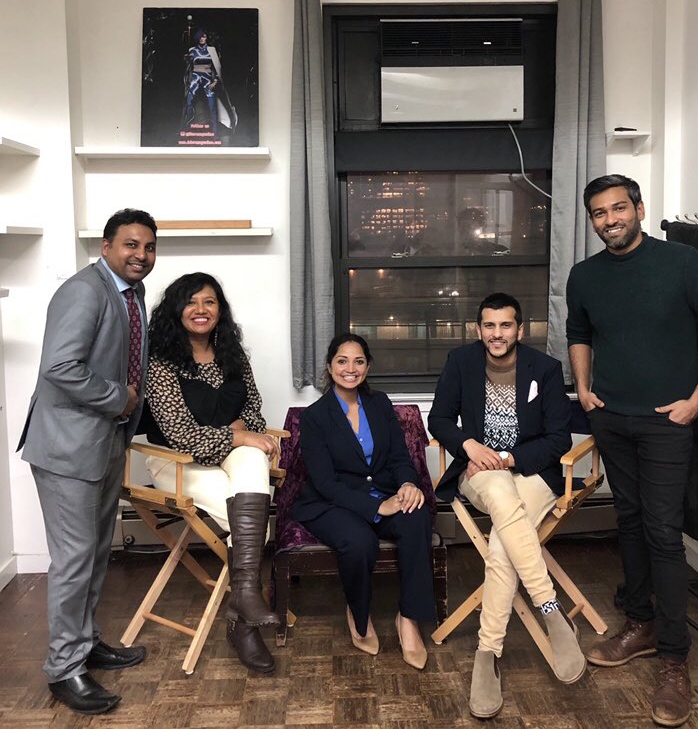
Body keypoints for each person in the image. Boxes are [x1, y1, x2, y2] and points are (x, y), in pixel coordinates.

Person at [566, 174, 698, 728]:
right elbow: (578, 332)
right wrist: (584, 389)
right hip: (611, 419)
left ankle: (673, 657)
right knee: (629, 520)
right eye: (599, 213)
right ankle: (639, 625)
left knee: (664, 532)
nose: (610, 220)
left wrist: (697, 401)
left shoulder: (683, 262)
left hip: (668, 423)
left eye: (619, 208)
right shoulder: (584, 275)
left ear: (639, 209)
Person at [18, 209, 157, 715]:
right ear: (106, 246)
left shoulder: (132, 294)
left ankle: (86, 642)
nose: (141, 255)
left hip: (103, 443)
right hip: (67, 449)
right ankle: (63, 669)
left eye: (149, 247)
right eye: (130, 245)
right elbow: (60, 367)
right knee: (75, 559)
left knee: (96, 552)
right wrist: (120, 398)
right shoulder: (84, 291)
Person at [429, 292, 585, 719]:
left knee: (502, 545)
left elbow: (558, 438)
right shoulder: (461, 362)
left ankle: (487, 653)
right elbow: (439, 419)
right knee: (499, 494)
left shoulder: (545, 369)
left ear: (520, 329)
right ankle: (551, 608)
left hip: (532, 472)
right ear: (479, 329)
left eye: (505, 325)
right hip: (480, 471)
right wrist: (469, 445)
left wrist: (510, 458)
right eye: (489, 325)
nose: (497, 334)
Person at [144, 272, 279, 674]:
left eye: (209, 301)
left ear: (220, 310)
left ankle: (243, 606)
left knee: (252, 462)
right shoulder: (161, 362)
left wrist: (243, 433)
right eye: (190, 302)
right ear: (176, 310)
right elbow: (180, 434)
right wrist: (237, 435)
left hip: (229, 454)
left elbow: (253, 411)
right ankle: (244, 620)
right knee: (253, 524)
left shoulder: (232, 355)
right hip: (176, 462)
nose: (200, 310)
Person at [291, 333, 435, 669]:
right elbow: (325, 483)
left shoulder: (380, 403)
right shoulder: (314, 417)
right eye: (342, 361)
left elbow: (399, 457)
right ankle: (358, 613)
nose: (350, 369)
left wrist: (408, 484)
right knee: (358, 541)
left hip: (383, 492)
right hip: (332, 503)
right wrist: (376, 507)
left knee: (416, 517)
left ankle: (409, 618)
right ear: (330, 366)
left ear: (367, 367)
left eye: (358, 361)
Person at [183, 28, 237, 137]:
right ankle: (186, 128)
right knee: (189, 102)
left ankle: (215, 131)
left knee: (212, 105)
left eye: (204, 36)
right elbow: (188, 68)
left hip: (208, 79)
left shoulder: (211, 50)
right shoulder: (192, 50)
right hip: (195, 78)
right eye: (200, 36)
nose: (202, 38)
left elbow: (217, 67)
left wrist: (215, 80)